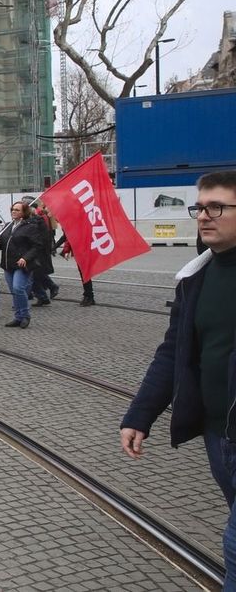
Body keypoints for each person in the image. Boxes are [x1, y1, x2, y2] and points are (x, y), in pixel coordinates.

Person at [120, 171, 236, 588]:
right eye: (200, 208)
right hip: (218, 436)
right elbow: (173, 352)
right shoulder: (195, 277)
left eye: (218, 207)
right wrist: (139, 415)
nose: (204, 216)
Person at [0, 201, 42, 329]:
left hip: (22, 264)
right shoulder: (8, 226)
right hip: (8, 264)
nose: (13, 211)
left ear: (23, 213)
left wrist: (25, 258)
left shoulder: (30, 226)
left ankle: (25, 315)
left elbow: (37, 246)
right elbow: (3, 244)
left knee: (18, 288)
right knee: (14, 291)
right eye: (13, 209)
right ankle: (18, 316)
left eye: (17, 210)